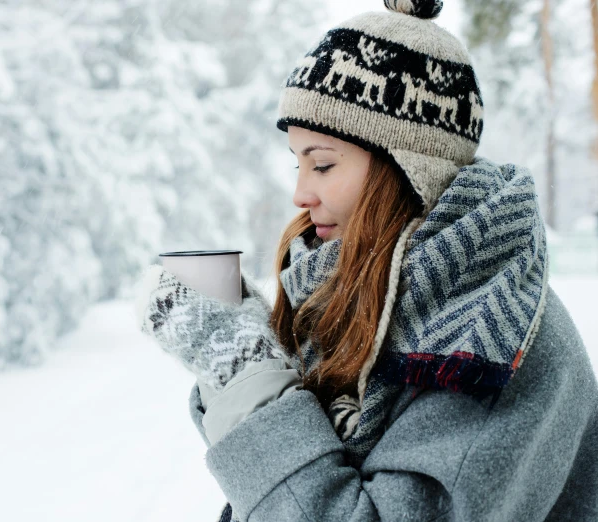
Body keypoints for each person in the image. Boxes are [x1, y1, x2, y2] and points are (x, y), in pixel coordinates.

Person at [135, 1, 598, 520]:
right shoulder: (381, 296)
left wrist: (244, 373)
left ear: (407, 169)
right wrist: (244, 347)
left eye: (323, 163)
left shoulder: (484, 344)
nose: (300, 194)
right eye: (297, 163)